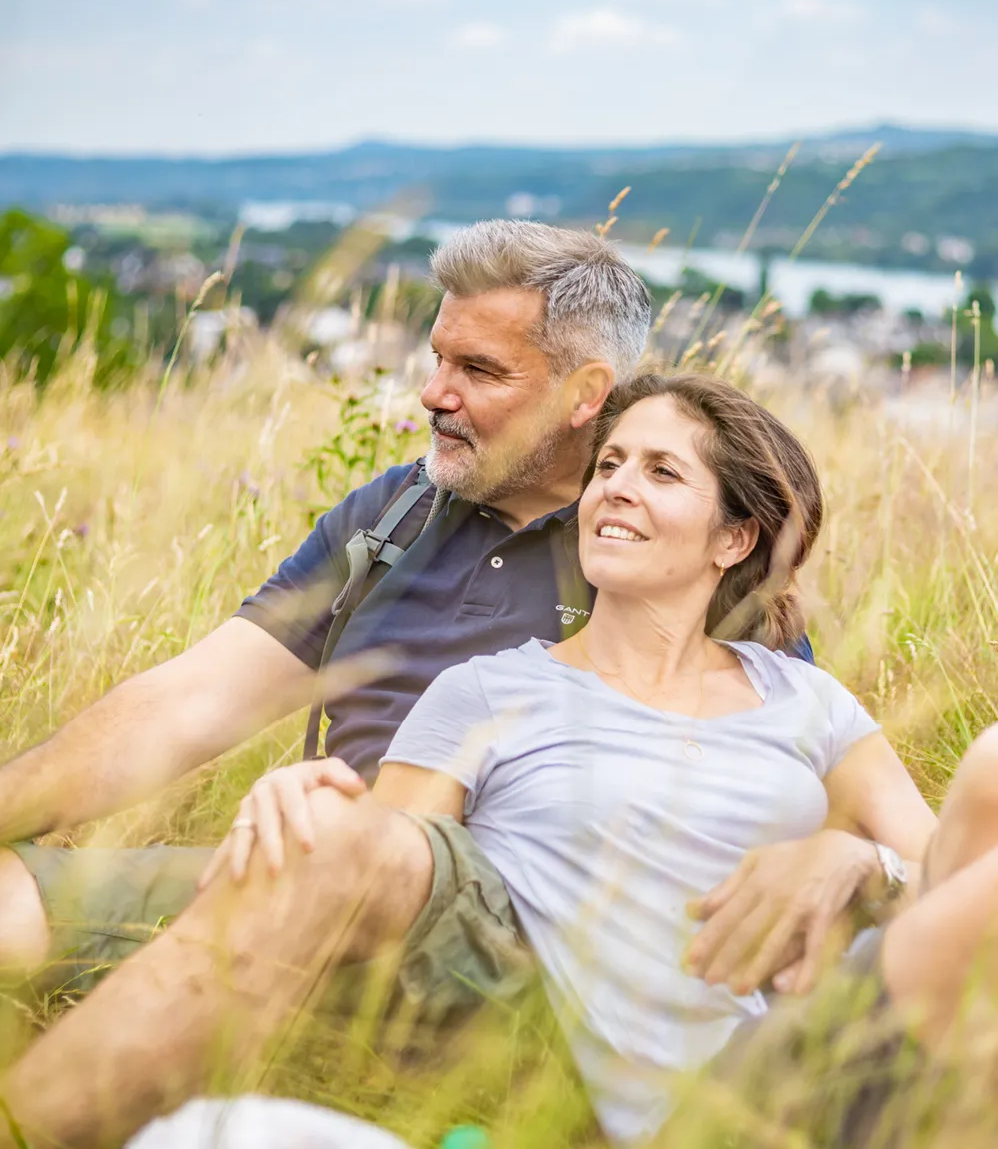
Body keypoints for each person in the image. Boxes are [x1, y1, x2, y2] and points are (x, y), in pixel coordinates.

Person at [4, 373, 990, 1149]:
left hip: (781, 1071)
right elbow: (387, 868)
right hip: (555, 1059)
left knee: (987, 771)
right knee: (327, 843)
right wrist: (312, 803)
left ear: (734, 535)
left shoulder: (803, 698)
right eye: (608, 463)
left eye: (659, 472)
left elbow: (949, 872)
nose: (613, 488)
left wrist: (853, 860)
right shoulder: (493, 691)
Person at [0, 220, 841, 1006]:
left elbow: (785, 791)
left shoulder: (663, 546)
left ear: (585, 393)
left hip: (532, 940)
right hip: (327, 876)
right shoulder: (393, 515)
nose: (435, 393)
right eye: (438, 358)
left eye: (479, 370)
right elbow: (191, 702)